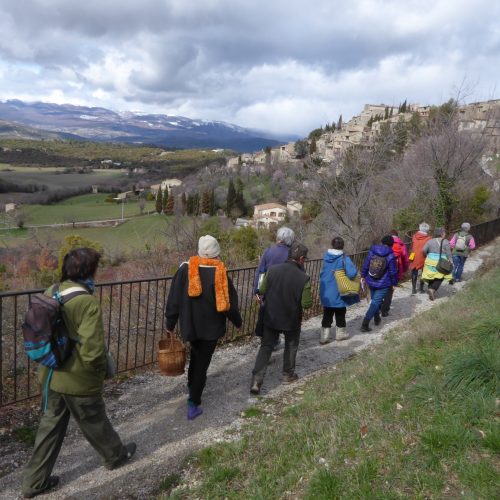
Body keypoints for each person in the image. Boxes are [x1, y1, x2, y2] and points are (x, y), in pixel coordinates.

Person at [22, 248, 136, 498]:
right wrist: (100, 374)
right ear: (88, 271)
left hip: (50, 374)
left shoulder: (52, 290)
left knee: (49, 428)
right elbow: (93, 351)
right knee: (94, 419)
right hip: (77, 379)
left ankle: (34, 482)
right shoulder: (87, 302)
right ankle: (115, 456)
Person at [165, 235, 242, 420]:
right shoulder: (220, 272)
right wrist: (237, 321)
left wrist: (170, 323)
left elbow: (174, 300)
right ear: (216, 253)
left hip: (190, 325)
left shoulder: (185, 269)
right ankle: (193, 403)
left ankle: (192, 386)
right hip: (211, 328)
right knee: (201, 364)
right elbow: (229, 303)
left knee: (196, 356)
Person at [250, 242, 312, 395]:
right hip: (291, 318)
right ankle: (287, 375)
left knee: (266, 346)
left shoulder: (272, 270)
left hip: (271, 315)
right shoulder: (304, 278)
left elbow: (262, 289)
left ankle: (257, 381)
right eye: (305, 259)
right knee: (291, 345)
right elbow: (306, 304)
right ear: (301, 259)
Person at [253, 226, 295, 347]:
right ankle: (280, 341)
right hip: (286, 291)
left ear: (279, 237)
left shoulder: (269, 251)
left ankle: (268, 342)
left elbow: (261, 271)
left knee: (267, 315)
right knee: (282, 315)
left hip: (269, 289)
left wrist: (257, 290)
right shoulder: (292, 253)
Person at [319, 236, 359, 343]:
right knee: (340, 311)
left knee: (327, 312)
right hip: (339, 288)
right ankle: (340, 334)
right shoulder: (344, 258)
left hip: (326, 289)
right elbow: (352, 273)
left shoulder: (326, 257)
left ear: (332, 245)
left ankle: (324, 337)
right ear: (343, 246)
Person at [360, 235, 398, 332]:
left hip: (371, 280)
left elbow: (366, 264)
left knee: (375, 301)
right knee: (375, 302)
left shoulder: (373, 251)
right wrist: (394, 283)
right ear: (391, 245)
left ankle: (377, 318)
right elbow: (393, 272)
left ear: (382, 242)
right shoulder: (391, 255)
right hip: (383, 283)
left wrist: (363, 275)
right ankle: (365, 324)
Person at [380, 230, 409, 316]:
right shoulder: (401, 246)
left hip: (382, 269)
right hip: (395, 270)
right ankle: (385, 311)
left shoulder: (384, 244)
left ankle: (380, 303)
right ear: (397, 236)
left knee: (380, 288)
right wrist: (404, 269)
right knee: (390, 290)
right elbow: (405, 259)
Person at [421, 227, 453, 300]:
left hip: (430, 260)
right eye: (444, 232)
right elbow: (448, 253)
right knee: (441, 276)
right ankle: (432, 289)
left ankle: (430, 288)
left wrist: (426, 255)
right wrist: (451, 261)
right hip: (441, 261)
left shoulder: (430, 241)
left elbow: (423, 250)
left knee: (431, 275)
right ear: (442, 233)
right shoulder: (445, 242)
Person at [409, 222, 432, 294]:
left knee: (414, 271)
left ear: (420, 228)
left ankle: (413, 289)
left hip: (414, 256)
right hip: (424, 256)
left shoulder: (414, 236)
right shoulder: (429, 238)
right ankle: (421, 289)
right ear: (427, 229)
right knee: (423, 273)